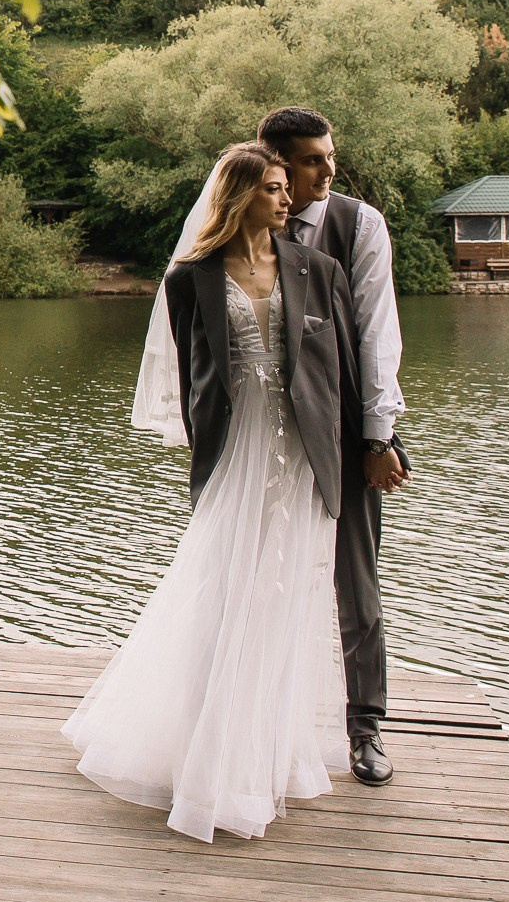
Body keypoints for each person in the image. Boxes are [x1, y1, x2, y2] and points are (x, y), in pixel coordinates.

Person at [65, 142, 364, 840]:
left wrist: (371, 447)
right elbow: (194, 374)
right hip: (237, 449)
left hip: (302, 453)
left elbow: (341, 372)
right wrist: (206, 443)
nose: (287, 199)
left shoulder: (318, 271)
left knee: (287, 592)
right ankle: (207, 751)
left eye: (288, 187)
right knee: (226, 586)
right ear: (238, 197)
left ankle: (265, 751)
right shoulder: (190, 279)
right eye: (271, 188)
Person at [255, 106, 411, 788]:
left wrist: (380, 435)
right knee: (253, 575)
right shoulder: (246, 225)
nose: (329, 169)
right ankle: (249, 724)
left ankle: (366, 727)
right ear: (279, 163)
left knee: (358, 584)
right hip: (263, 435)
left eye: (330, 155)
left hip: (347, 431)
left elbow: (379, 334)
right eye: (313, 159)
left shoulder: (359, 224)